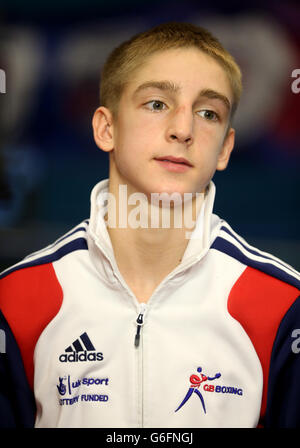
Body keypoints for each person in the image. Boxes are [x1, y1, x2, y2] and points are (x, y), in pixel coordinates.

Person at [0, 22, 299, 429]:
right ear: (107, 128)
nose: (183, 129)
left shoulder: (284, 306)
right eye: (157, 104)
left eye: (208, 112)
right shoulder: (15, 300)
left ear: (225, 148)